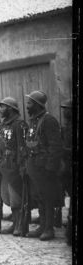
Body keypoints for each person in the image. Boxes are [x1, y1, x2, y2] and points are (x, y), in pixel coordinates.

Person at [25, 91, 63, 241]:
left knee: (47, 198)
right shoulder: (34, 120)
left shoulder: (49, 120)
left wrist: (50, 168)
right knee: (38, 196)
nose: (27, 106)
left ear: (37, 105)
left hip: (45, 167)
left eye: (29, 103)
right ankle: (42, 225)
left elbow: (55, 147)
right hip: (35, 165)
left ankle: (49, 228)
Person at [0, 97, 27, 236]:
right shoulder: (2, 125)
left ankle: (20, 224)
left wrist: (22, 166)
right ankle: (14, 223)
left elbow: (22, 147)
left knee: (16, 197)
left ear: (11, 109)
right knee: (7, 195)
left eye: (3, 107)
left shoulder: (19, 124)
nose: (0, 109)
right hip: (3, 165)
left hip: (14, 166)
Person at [60, 100, 73, 245]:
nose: (64, 112)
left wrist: (63, 151)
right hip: (65, 167)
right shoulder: (64, 128)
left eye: (67, 109)